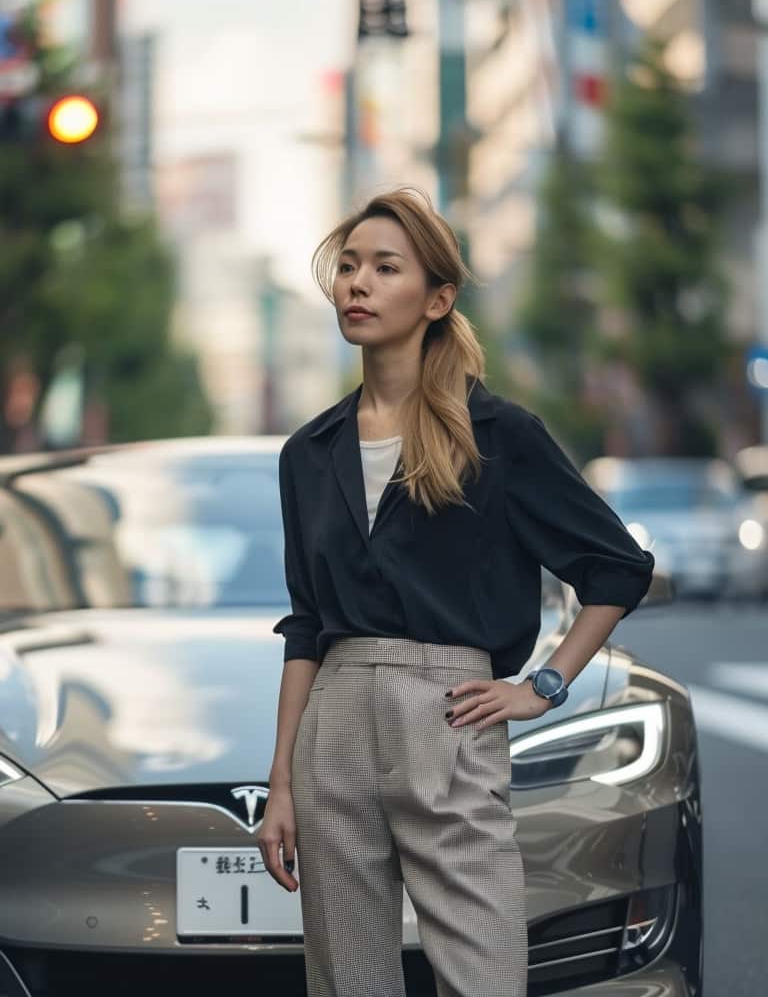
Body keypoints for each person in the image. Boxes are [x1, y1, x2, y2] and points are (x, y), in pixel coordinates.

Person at [256, 187, 655, 997]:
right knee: (348, 978)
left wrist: (543, 684)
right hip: (333, 718)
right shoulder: (308, 452)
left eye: (385, 268)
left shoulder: (499, 436)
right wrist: (282, 785)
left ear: (437, 299)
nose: (356, 284)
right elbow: (306, 623)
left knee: (483, 970)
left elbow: (616, 567)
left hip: (449, 712)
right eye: (349, 267)